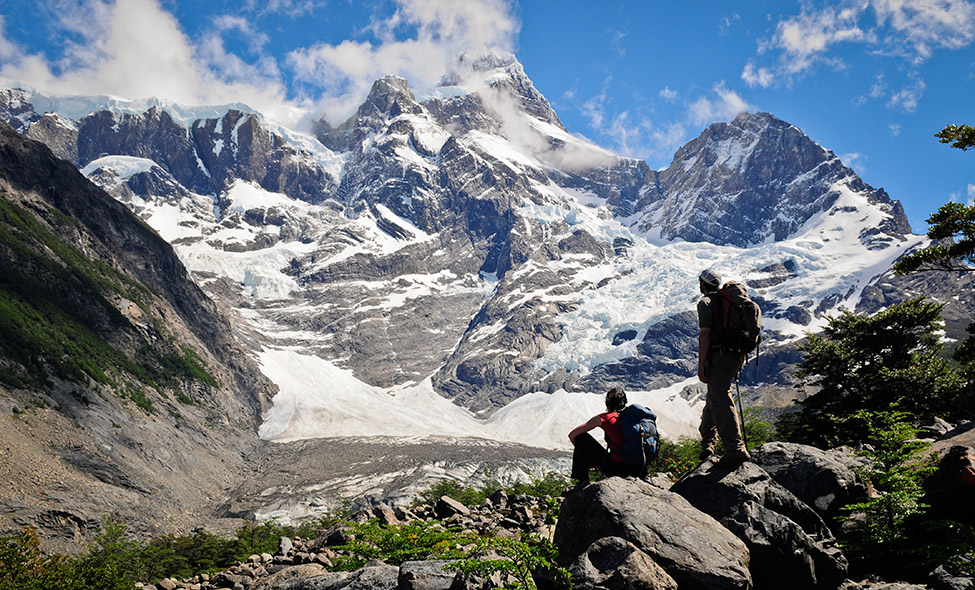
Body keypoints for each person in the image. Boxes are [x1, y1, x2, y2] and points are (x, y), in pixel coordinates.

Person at [696, 269, 750, 463]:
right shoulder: (728, 301)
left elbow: (705, 335)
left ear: (703, 284)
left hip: (719, 356)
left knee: (721, 400)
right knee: (714, 397)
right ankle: (708, 445)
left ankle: (735, 450)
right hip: (735, 356)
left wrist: (701, 365)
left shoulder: (706, 303)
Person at [568, 387, 645, 483]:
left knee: (581, 438)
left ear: (607, 402)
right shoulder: (633, 417)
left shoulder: (605, 418)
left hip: (617, 469)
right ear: (624, 402)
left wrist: (588, 457)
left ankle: (582, 479)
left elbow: (572, 435)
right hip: (639, 469)